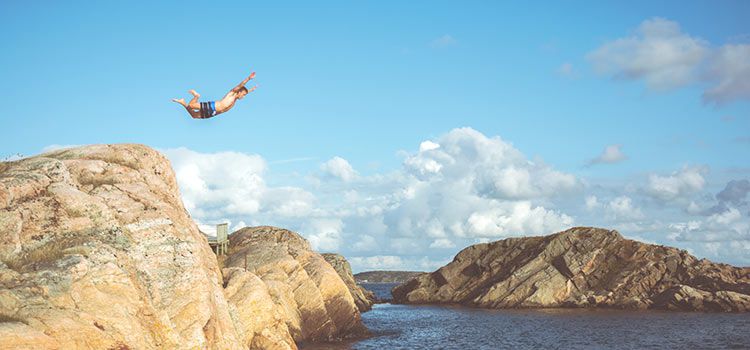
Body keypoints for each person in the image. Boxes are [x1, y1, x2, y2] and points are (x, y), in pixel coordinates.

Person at [172, 72, 257, 119]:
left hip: (214, 113)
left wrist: (251, 90)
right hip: (213, 107)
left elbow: (243, 92)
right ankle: (196, 96)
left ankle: (183, 102)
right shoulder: (232, 93)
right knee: (191, 105)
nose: (244, 96)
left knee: (194, 116)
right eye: (244, 94)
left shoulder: (236, 99)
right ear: (239, 92)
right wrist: (248, 79)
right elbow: (240, 85)